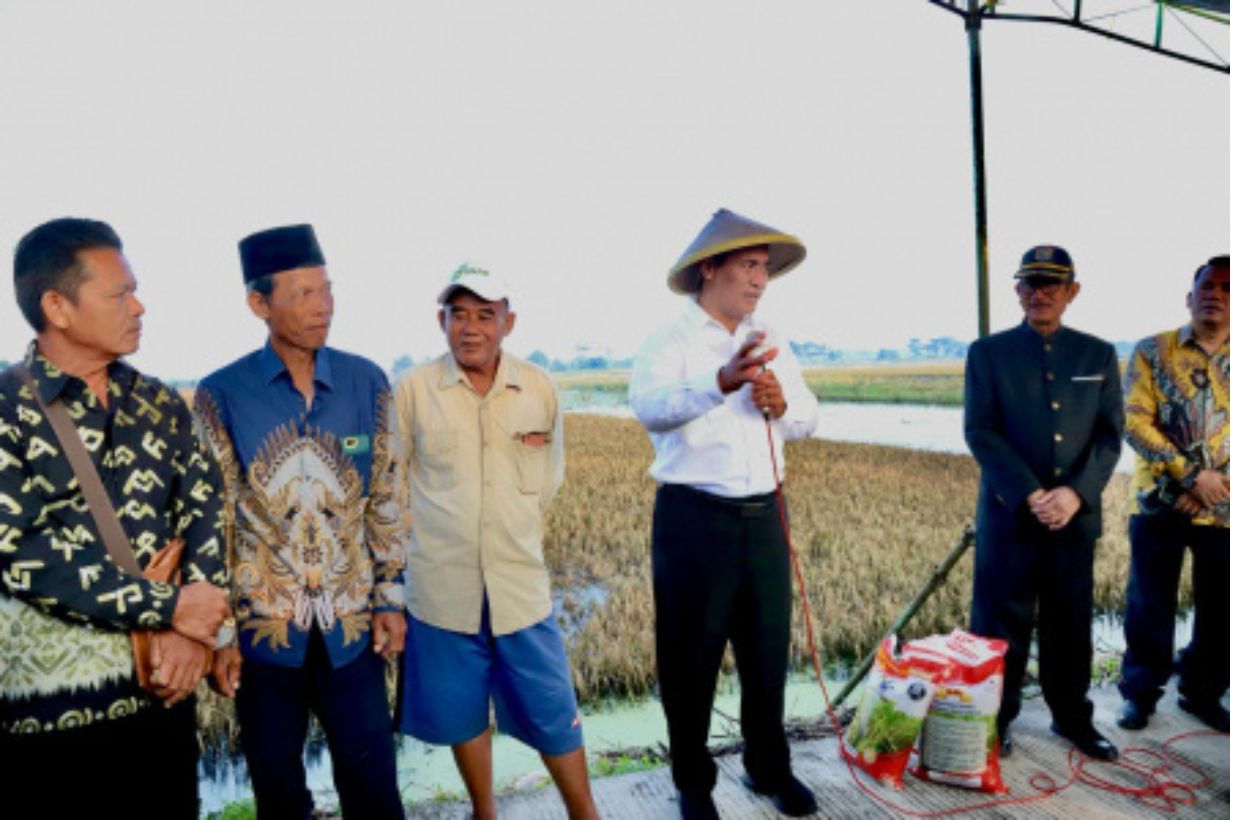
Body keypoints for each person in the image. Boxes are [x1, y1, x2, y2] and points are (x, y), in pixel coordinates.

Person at [0, 217, 231, 818]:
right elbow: (23, 555)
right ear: (57, 306)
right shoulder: (6, 409)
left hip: (162, 693)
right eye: (119, 294)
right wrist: (169, 607)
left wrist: (194, 629)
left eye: (135, 289)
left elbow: (205, 503)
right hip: (51, 713)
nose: (139, 305)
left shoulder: (157, 401)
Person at [194, 224, 408, 818]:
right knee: (278, 788)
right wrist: (220, 636)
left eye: (327, 290)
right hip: (265, 635)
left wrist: (391, 598)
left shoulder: (367, 382)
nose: (324, 307)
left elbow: (386, 495)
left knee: (374, 784)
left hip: (352, 626)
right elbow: (213, 524)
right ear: (259, 304)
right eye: (304, 294)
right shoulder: (222, 394)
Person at [629, 209, 820, 820]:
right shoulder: (671, 340)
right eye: (747, 266)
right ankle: (694, 784)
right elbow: (650, 408)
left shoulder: (772, 338)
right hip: (695, 521)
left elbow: (808, 419)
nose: (759, 280)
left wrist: (780, 401)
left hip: (765, 518)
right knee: (690, 662)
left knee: (767, 655)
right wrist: (721, 382)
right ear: (708, 268)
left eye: (764, 268)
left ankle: (769, 769)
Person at [393, 263, 598, 820]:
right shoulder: (412, 391)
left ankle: (586, 813)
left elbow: (548, 481)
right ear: (442, 321)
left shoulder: (537, 387)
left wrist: (505, 527)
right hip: (442, 589)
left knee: (554, 709)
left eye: (485, 315)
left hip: (519, 585)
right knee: (462, 713)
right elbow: (391, 490)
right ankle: (485, 812)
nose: (471, 328)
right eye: (459, 314)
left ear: (509, 322)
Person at [964, 244, 1124, 761]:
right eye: (1030, 284)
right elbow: (981, 431)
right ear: (1017, 291)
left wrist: (1075, 494)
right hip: (1011, 516)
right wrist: (1032, 493)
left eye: (1052, 284)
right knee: (999, 628)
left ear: (1072, 291)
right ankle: (994, 723)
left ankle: (1073, 720)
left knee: (1070, 624)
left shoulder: (1096, 353)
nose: (1040, 293)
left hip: (1072, 520)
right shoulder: (987, 353)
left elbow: (1108, 436)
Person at [1116, 255, 1229, 734]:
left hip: (1225, 507)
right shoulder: (1152, 351)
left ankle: (1203, 693)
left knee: (1223, 605)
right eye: (1206, 287)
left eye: (1227, 288)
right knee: (1150, 603)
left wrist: (1218, 484)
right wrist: (1189, 477)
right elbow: (1132, 420)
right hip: (1158, 502)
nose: (1216, 296)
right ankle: (1140, 695)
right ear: (1189, 298)